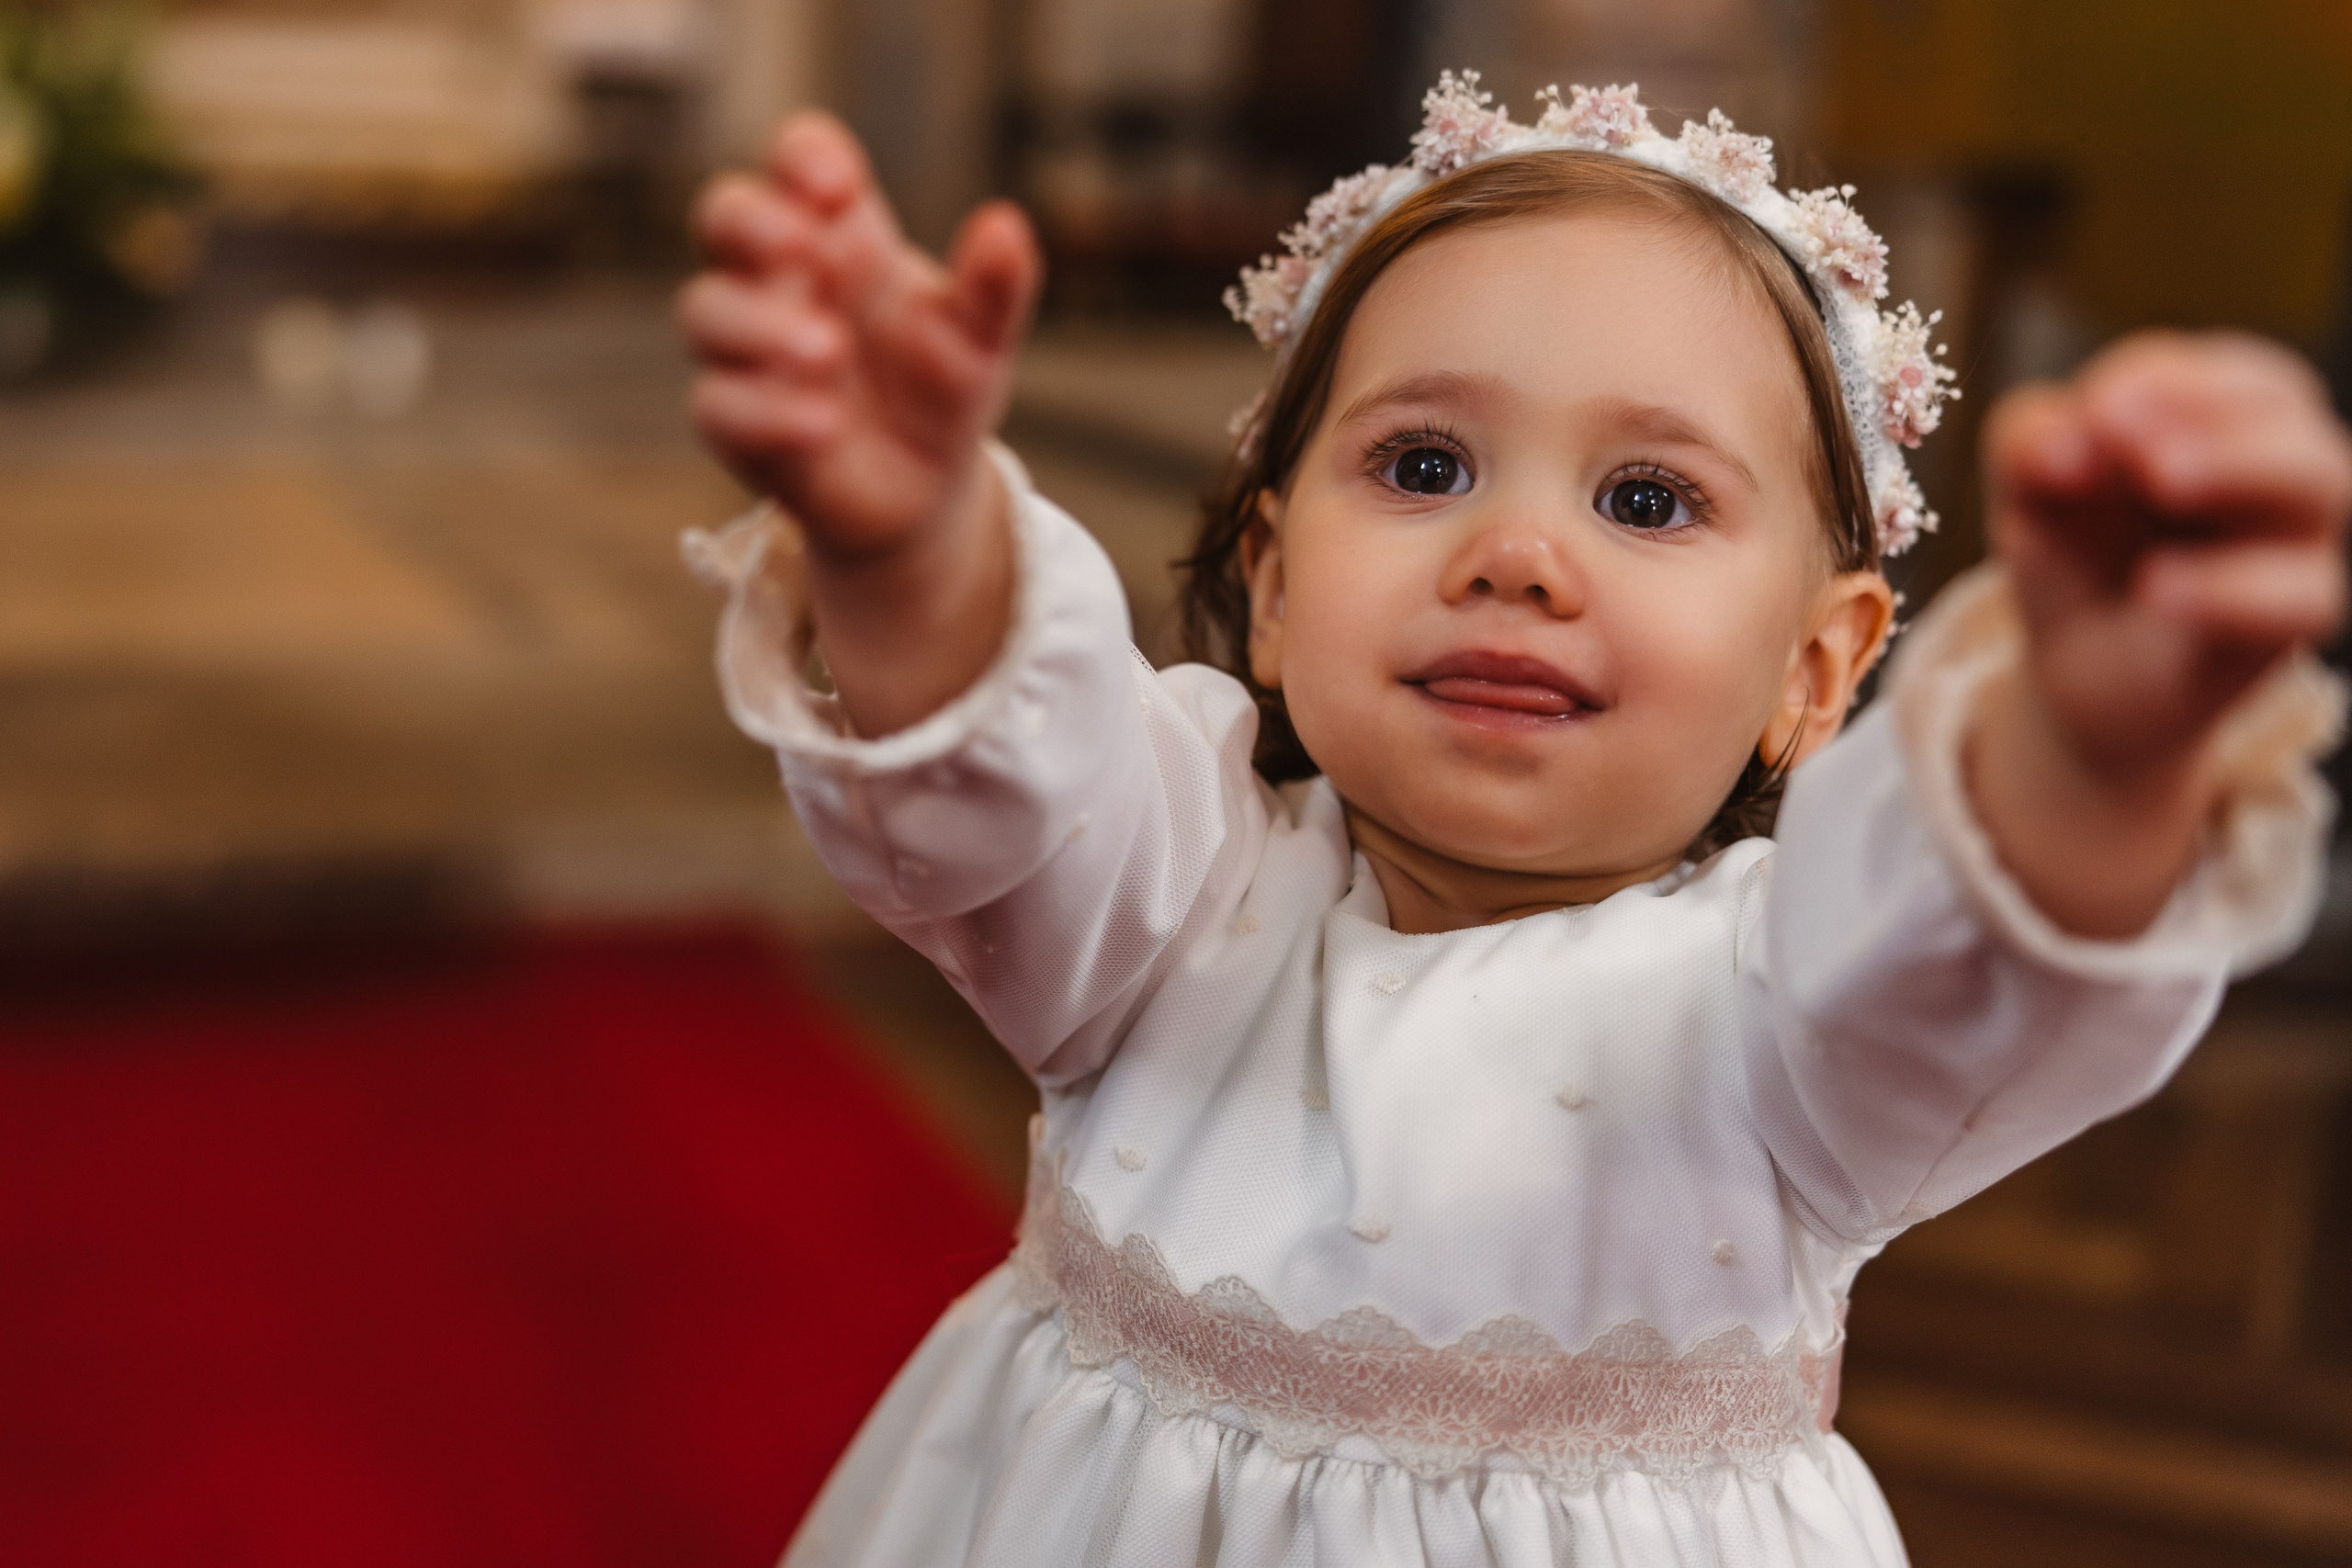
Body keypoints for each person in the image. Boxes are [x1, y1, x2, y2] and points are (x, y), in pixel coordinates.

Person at [676, 73, 2349, 1568]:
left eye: (1647, 499)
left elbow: (1964, 949)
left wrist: (2095, 750)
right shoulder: (1174, 900)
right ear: (1273, 586)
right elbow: (1012, 791)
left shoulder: (1780, 1017)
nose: (1517, 557)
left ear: (1815, 670)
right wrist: (912, 560)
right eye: (1424, 467)